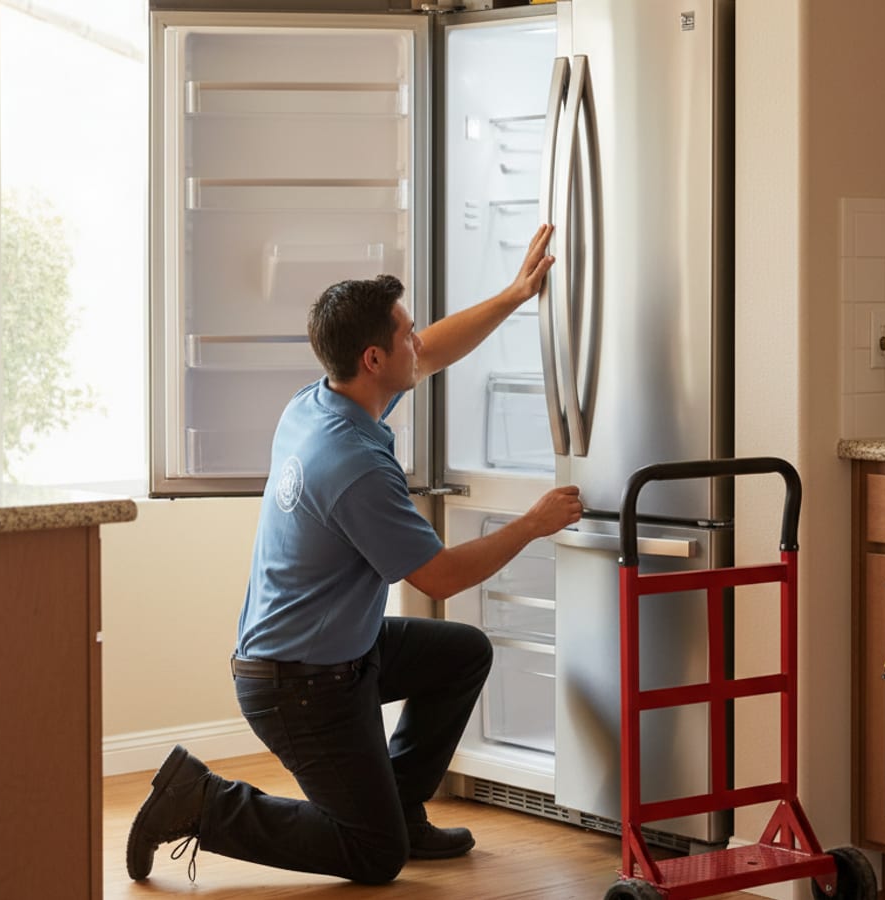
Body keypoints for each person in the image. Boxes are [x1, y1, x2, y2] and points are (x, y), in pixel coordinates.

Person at [126, 223, 582, 885]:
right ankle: (202, 801)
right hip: (299, 686)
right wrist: (533, 523)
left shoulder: (321, 403)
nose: (417, 340)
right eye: (405, 334)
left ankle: (398, 806)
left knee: (460, 655)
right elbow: (442, 576)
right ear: (374, 359)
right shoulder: (354, 462)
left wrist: (514, 295)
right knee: (374, 855)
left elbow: (435, 349)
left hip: (333, 653)